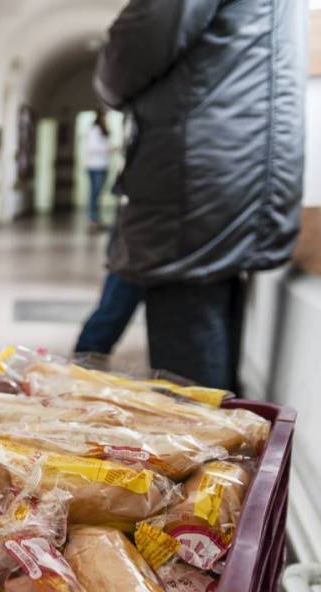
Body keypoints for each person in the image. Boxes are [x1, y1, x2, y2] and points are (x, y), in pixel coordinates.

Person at [94, 0, 304, 391]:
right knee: (212, 334)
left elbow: (129, 54)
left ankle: (201, 450)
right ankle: (223, 445)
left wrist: (105, 81)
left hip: (195, 173)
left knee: (187, 384)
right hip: (242, 169)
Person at [83, 111, 112, 228]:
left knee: (97, 194)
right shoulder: (93, 131)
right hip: (95, 166)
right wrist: (108, 149)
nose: (106, 120)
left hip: (102, 165)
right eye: (105, 118)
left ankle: (96, 217)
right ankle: (92, 218)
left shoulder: (102, 131)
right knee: (94, 193)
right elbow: (92, 148)